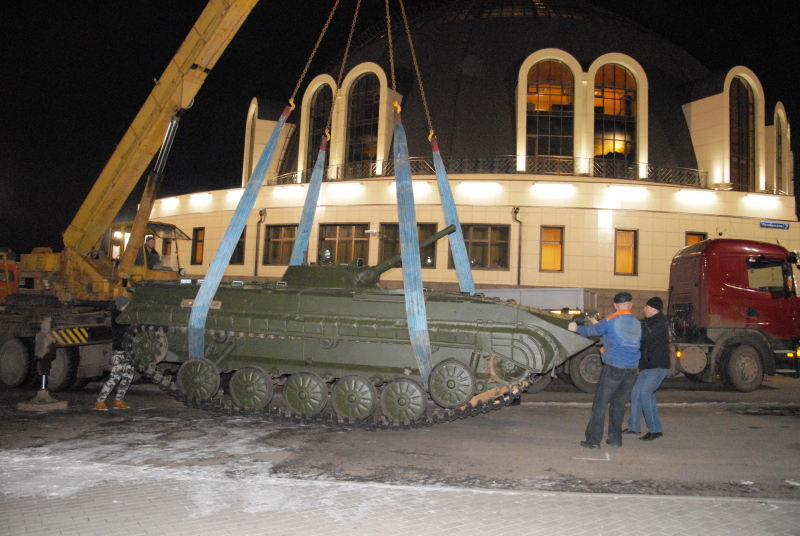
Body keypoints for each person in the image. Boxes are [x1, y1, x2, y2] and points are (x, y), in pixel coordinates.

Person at [569, 292, 641, 449]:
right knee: (619, 404)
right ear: (631, 305)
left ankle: (593, 441)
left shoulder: (611, 320)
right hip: (631, 369)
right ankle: (615, 439)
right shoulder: (637, 323)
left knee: (600, 403)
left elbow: (592, 331)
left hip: (614, 367)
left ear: (615, 305)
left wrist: (576, 328)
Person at [624, 297, 671, 441]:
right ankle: (634, 427)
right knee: (636, 393)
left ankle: (655, 430)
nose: (644, 309)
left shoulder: (660, 322)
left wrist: (630, 323)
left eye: (647, 307)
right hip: (648, 366)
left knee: (646, 393)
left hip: (658, 366)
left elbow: (644, 334)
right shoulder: (649, 322)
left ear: (654, 309)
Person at [94, 296, 134, 411]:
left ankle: (118, 400)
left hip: (127, 351)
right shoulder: (117, 317)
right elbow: (124, 329)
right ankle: (99, 401)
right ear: (123, 306)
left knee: (128, 376)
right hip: (119, 351)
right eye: (127, 305)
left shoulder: (124, 316)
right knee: (115, 377)